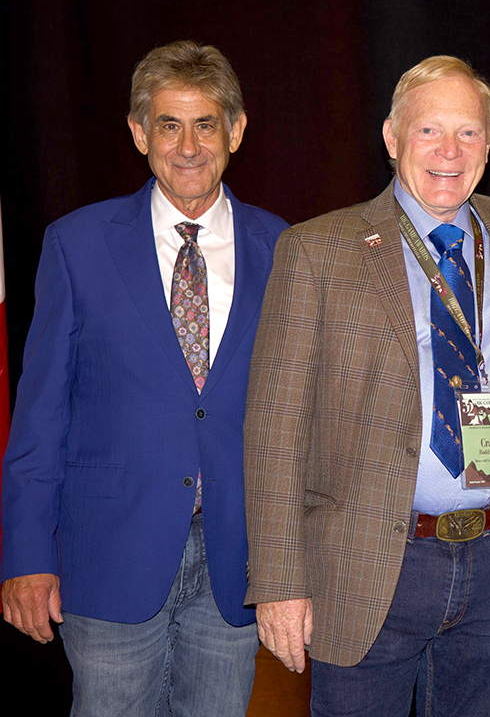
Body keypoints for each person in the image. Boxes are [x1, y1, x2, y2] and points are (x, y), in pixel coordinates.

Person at [243, 55, 490, 717]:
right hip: (371, 563)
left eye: (469, 133)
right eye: (429, 132)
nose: (449, 152)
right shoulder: (319, 252)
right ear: (392, 138)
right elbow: (273, 426)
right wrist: (279, 582)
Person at [0, 41, 289, 715]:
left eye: (206, 124)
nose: (188, 146)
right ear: (138, 133)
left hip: (235, 565)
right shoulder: (77, 243)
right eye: (168, 124)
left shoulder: (283, 248)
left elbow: (292, 419)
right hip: (107, 559)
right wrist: (24, 554)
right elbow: (39, 414)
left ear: (237, 130)